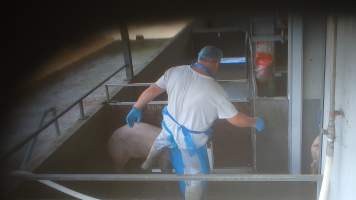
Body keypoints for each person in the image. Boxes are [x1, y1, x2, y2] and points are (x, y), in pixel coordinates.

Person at [126, 46, 265, 200]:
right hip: (188, 144)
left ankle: (146, 165)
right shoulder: (215, 90)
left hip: (168, 129)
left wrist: (137, 107)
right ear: (216, 63)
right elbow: (236, 119)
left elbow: (152, 90)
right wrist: (254, 121)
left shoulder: (175, 71)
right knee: (195, 181)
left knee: (159, 142)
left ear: (199, 58)